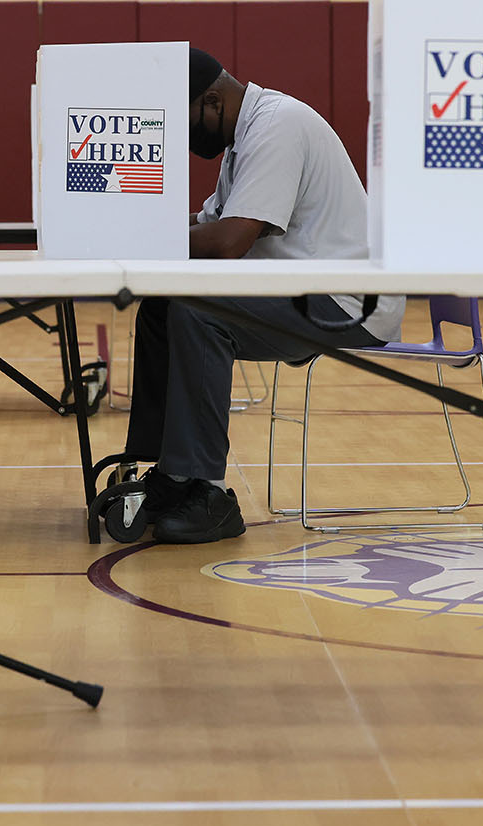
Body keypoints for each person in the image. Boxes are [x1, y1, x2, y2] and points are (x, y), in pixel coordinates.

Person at [119, 48, 405, 544]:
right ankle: (170, 473)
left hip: (346, 304)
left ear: (211, 101)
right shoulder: (242, 139)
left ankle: (209, 494)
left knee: (198, 314)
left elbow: (229, 242)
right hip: (300, 294)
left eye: (186, 124)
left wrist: (140, 239)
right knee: (162, 310)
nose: (187, 142)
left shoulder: (278, 125)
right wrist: (132, 226)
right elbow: (206, 223)